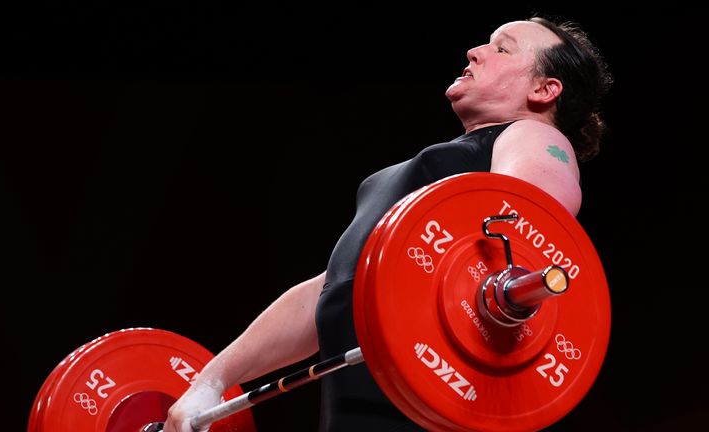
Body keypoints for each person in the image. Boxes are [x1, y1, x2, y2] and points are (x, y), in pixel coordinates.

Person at [163, 16, 612, 432]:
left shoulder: (534, 135)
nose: (475, 51)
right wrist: (212, 380)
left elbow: (538, 223)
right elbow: (331, 293)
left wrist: (505, 287)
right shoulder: (438, 179)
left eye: (503, 49)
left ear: (544, 89)